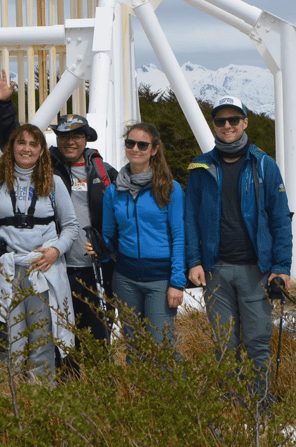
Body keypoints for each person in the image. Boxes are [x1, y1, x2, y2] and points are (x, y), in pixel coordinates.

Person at [0, 69, 118, 357]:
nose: (70, 142)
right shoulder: (44, 166)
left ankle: (97, 395)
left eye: (77, 136)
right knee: (58, 341)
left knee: (97, 340)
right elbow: (15, 143)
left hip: (93, 269)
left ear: (86, 139)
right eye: (64, 136)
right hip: (53, 270)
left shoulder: (105, 173)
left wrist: (110, 246)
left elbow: (123, 217)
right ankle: (65, 394)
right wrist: (3, 106)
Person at [185, 96, 292, 401]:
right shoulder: (200, 166)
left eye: (234, 120)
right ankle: (231, 403)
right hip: (215, 270)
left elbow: (281, 220)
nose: (227, 126)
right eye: (221, 121)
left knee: (258, 341)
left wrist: (281, 268)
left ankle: (260, 404)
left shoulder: (264, 165)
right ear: (215, 126)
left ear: (245, 122)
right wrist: (193, 261)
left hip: (256, 270)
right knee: (224, 342)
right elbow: (190, 219)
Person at [0, 124, 78, 384]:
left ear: (41, 151)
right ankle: (10, 398)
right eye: (21, 143)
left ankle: (41, 398)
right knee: (10, 339)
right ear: (12, 147)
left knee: (42, 338)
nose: (26, 148)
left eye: (33, 144)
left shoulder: (54, 182)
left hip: (43, 270)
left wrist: (54, 251)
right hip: (6, 271)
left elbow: (71, 226)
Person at [87, 123, 185, 353]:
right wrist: (100, 248)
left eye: (143, 144)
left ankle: (172, 390)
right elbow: (111, 235)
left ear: (154, 150)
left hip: (160, 280)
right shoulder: (113, 191)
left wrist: (177, 282)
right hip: (125, 278)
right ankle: (136, 391)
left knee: (161, 347)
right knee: (133, 346)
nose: (135, 149)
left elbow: (179, 238)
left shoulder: (170, 188)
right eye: (130, 143)